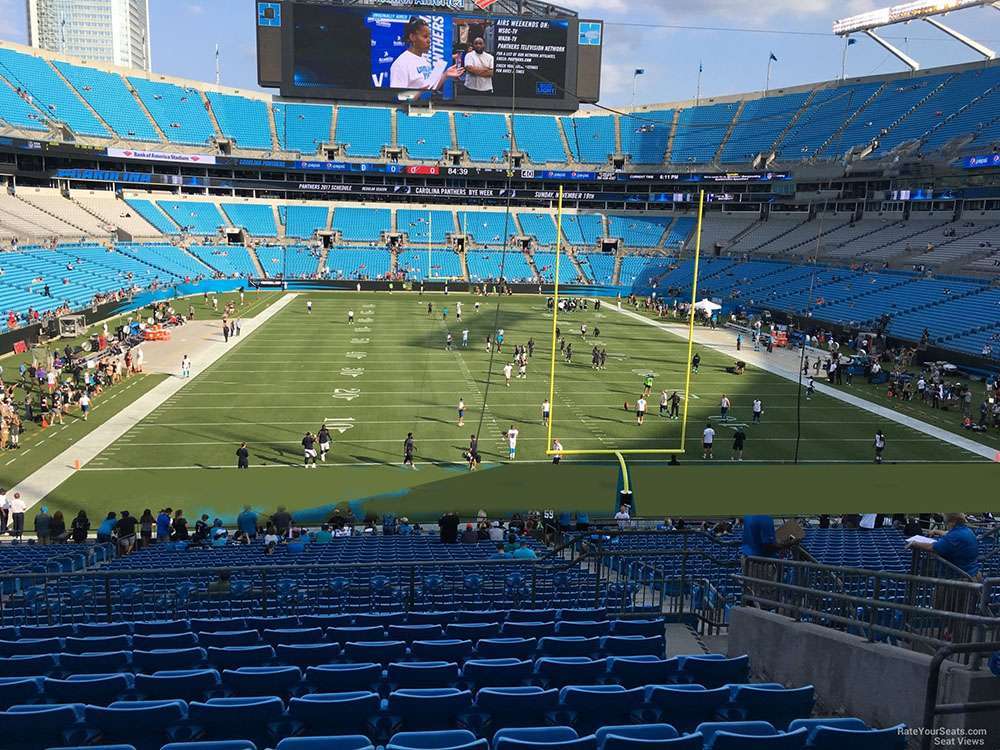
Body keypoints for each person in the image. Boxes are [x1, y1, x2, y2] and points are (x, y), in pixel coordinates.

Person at [390, 18, 464, 90]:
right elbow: (398, 97)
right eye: (425, 36)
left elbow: (431, 87)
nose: (429, 41)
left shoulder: (424, 60)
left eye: (429, 37)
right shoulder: (401, 64)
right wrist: (419, 93)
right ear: (412, 37)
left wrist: (445, 75)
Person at [908, 513, 980, 577]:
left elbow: (932, 547)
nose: (946, 524)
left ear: (953, 522)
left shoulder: (954, 537)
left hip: (958, 580)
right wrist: (936, 531)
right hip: (971, 574)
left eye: (947, 522)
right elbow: (948, 533)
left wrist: (915, 543)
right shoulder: (967, 530)